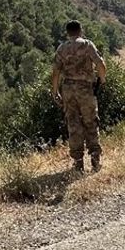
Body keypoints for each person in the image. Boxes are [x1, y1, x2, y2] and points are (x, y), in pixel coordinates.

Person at [51, 20, 107, 172]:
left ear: (67, 33)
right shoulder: (87, 45)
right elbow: (100, 64)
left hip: (68, 89)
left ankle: (78, 162)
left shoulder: (62, 48)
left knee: (73, 124)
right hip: (85, 88)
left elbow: (55, 72)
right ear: (80, 30)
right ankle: (95, 158)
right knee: (90, 121)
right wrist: (102, 80)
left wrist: (54, 91)